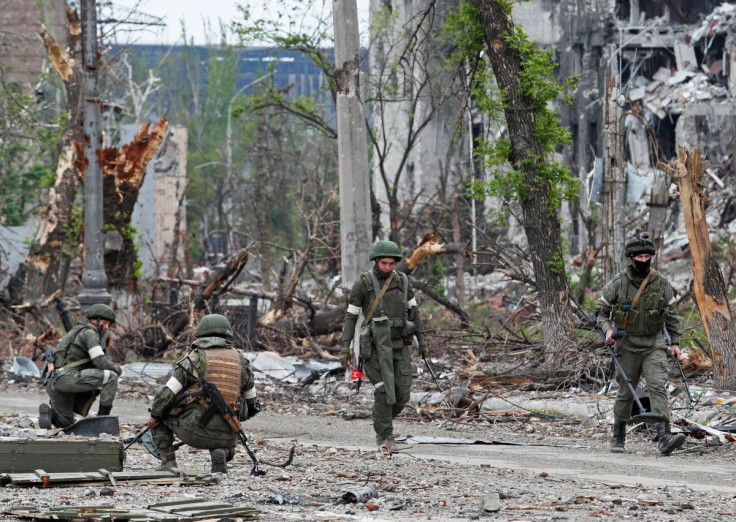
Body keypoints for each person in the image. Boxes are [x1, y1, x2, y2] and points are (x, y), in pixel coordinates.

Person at [594, 233, 686, 455]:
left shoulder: (661, 284)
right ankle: (618, 435)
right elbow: (600, 311)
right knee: (626, 391)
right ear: (631, 257)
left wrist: (675, 343)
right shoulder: (618, 283)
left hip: (654, 343)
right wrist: (608, 330)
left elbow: (672, 316)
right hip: (626, 345)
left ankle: (664, 436)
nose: (643, 260)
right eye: (639, 256)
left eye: (647, 256)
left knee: (657, 386)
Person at [340, 240, 428, 453]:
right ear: (376, 261)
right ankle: (385, 435)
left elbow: (414, 313)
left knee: (403, 393)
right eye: (384, 263)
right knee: (384, 392)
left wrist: (422, 341)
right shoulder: (363, 284)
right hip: (375, 349)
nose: (388, 267)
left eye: (392, 263)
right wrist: (346, 347)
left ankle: (382, 420)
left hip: (399, 346)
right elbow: (351, 317)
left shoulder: (404, 282)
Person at [146, 314, 259, 473]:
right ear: (227, 335)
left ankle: (168, 463)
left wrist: (154, 416)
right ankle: (223, 452)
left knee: (161, 411)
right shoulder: (241, 361)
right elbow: (253, 405)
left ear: (200, 335)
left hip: (196, 431)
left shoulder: (193, 359)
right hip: (230, 434)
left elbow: (166, 394)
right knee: (228, 435)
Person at [38, 303, 121, 429]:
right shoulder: (90, 334)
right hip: (68, 378)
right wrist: (116, 369)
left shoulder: (75, 332)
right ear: (94, 320)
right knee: (111, 377)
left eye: (108, 324)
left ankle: (50, 415)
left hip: (53, 381)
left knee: (65, 422)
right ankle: (101, 422)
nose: (106, 327)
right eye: (104, 323)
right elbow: (99, 361)